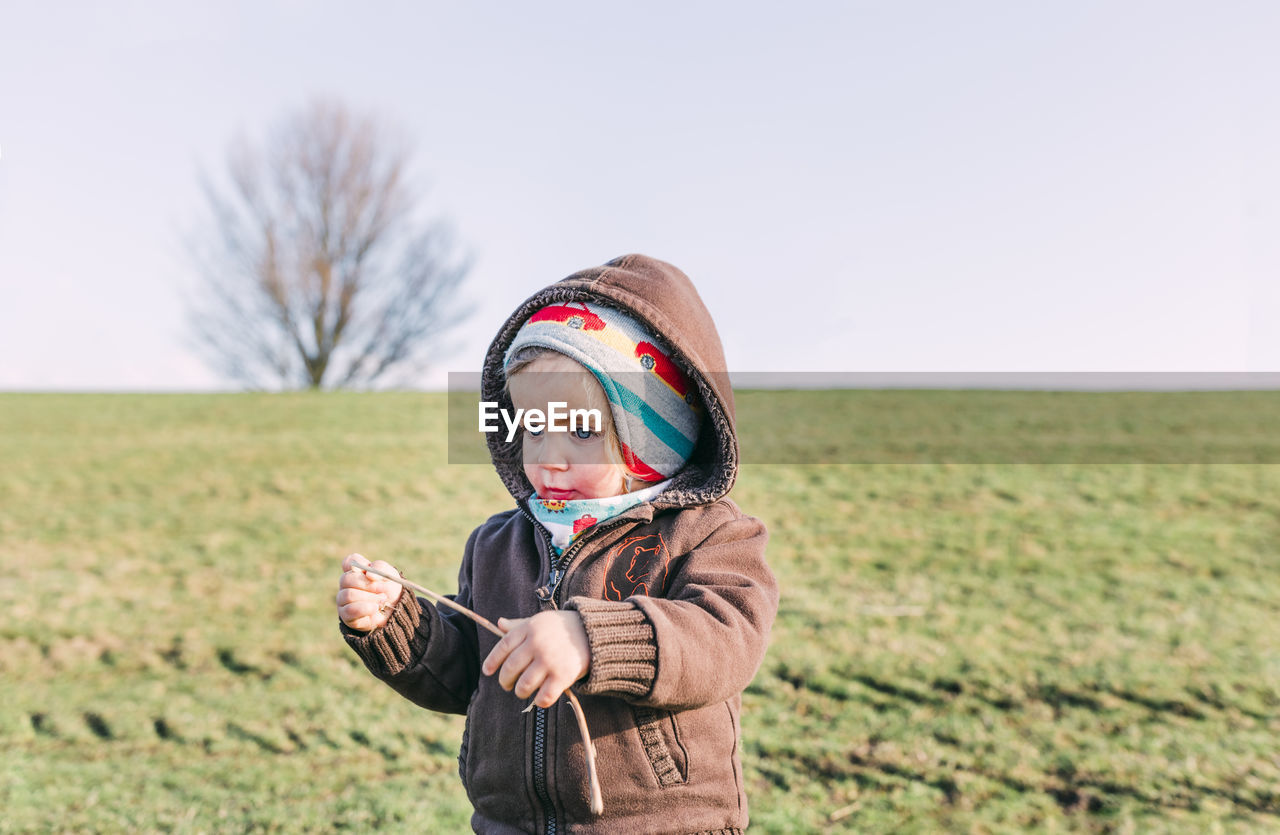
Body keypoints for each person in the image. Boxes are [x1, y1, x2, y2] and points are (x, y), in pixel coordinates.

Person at [335, 254, 779, 834]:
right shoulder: (499, 543)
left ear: (655, 434)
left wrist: (590, 639)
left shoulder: (709, 533)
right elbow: (469, 671)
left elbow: (727, 638)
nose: (549, 455)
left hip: (661, 824)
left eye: (582, 430)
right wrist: (397, 623)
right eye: (534, 427)